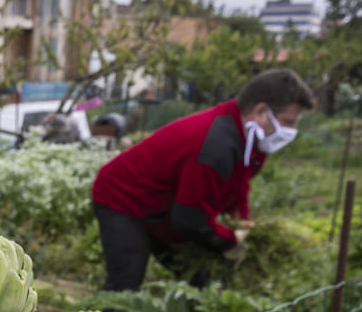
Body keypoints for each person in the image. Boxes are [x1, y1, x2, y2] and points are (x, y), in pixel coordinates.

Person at [91, 68, 315, 291]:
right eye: (288, 121)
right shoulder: (215, 146)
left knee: (199, 280)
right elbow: (189, 220)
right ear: (261, 111)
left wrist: (242, 222)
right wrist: (231, 239)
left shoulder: (251, 138)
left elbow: (239, 185)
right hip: (123, 198)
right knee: (125, 283)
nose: (291, 131)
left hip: (165, 205)